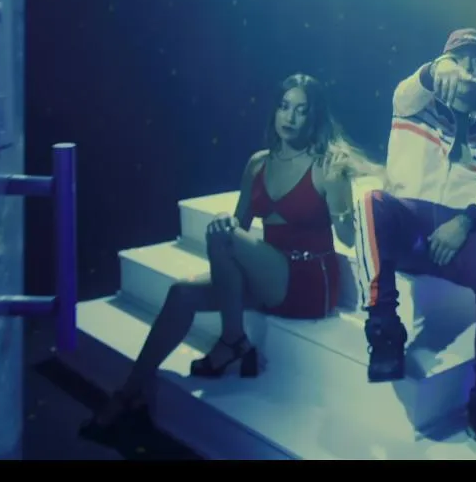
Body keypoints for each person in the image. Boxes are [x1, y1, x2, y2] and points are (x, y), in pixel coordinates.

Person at [82, 73, 380, 440]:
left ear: (313, 117)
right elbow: (239, 226)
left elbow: (347, 238)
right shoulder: (257, 164)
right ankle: (130, 391)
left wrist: (342, 192)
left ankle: (232, 341)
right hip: (271, 273)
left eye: (301, 110)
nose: (290, 117)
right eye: (284, 106)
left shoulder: (324, 167)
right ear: (274, 111)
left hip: (309, 281)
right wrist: (228, 229)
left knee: (222, 234)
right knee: (181, 293)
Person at [354, 28, 476, 461]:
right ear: (447, 60)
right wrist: (435, 68)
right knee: (370, 203)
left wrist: (465, 222)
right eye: (460, 56)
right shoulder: (415, 100)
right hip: (409, 219)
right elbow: (411, 87)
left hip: (463, 227)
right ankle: (384, 330)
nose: (469, 65)